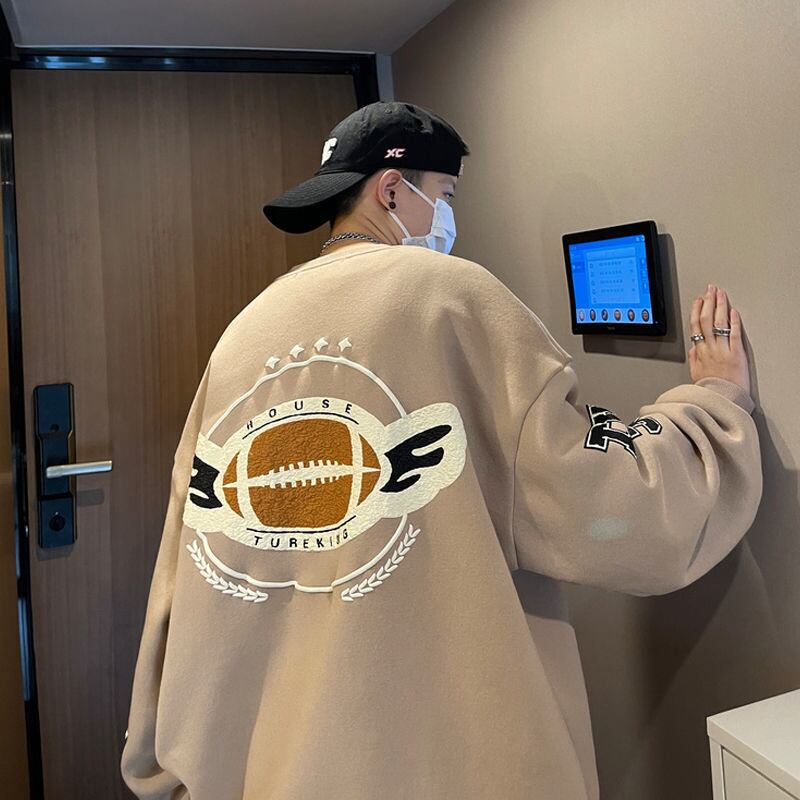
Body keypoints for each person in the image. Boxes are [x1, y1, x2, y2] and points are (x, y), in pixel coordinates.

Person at [120, 101, 762, 799]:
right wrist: (713, 408)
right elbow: (612, 508)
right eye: (446, 194)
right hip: (439, 762)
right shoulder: (449, 296)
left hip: (268, 769)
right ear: (393, 190)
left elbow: (185, 554)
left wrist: (161, 762)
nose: (450, 215)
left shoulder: (243, 333)